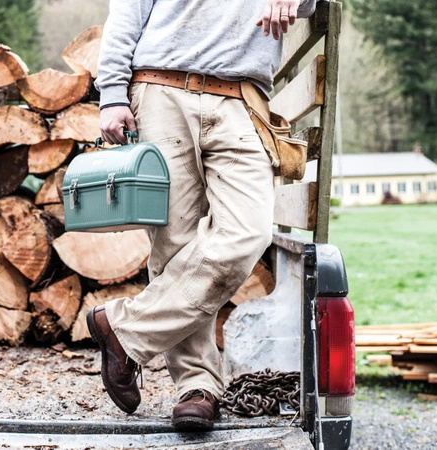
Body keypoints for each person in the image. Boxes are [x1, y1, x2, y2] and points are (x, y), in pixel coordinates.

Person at [87, 0, 318, 431]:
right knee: (174, 245)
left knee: (247, 232)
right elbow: (128, 8)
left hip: (242, 98)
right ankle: (198, 387)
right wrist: (112, 94)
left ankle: (125, 330)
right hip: (160, 88)